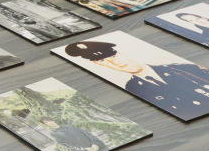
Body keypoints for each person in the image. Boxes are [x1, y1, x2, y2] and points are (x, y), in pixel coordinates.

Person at [65, 40, 209, 116]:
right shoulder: (134, 88)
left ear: (121, 53)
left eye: (113, 56)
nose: (113, 63)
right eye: (102, 61)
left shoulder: (183, 68)